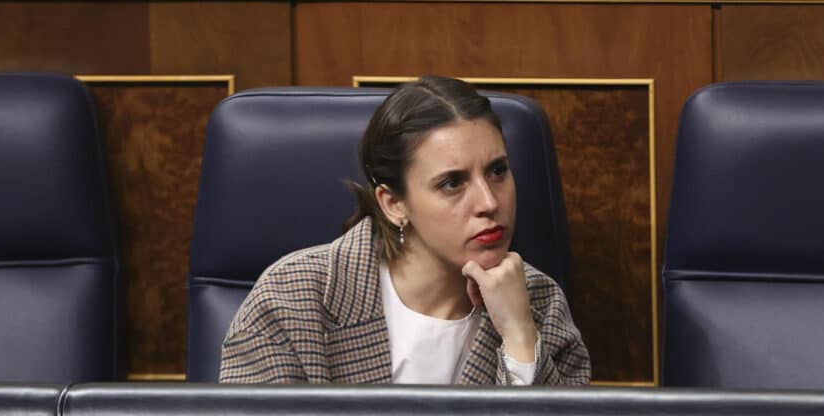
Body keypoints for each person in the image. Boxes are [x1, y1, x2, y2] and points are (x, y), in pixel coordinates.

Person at [218, 76, 590, 385]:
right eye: (451, 183)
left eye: (497, 171)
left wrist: (521, 339)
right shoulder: (291, 300)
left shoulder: (540, 303)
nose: (489, 202)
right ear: (394, 204)